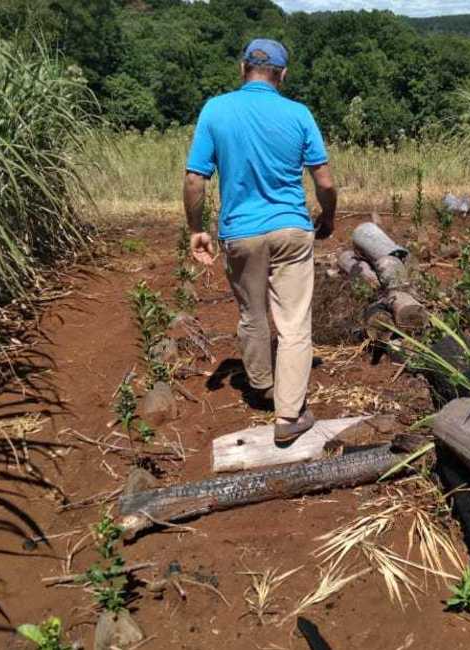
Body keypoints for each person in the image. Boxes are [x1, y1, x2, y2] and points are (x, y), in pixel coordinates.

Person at [183, 38, 337, 445]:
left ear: (242, 68)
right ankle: (289, 415)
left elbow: (195, 178)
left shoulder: (216, 109)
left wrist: (195, 228)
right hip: (290, 228)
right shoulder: (299, 114)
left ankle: (263, 387)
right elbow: (325, 181)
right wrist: (329, 216)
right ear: (282, 75)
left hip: (241, 233)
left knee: (253, 315)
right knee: (293, 323)